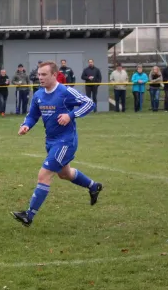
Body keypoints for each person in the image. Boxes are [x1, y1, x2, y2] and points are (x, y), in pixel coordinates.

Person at [10, 61, 103, 227]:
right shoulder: (39, 95)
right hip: (51, 141)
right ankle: (93, 186)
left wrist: (71, 115)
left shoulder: (65, 92)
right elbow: (32, 115)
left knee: (44, 175)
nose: (40, 77)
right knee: (64, 174)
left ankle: (29, 215)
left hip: (65, 141)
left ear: (54, 75)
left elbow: (89, 103)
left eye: (44, 74)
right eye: (39, 75)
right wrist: (26, 125)